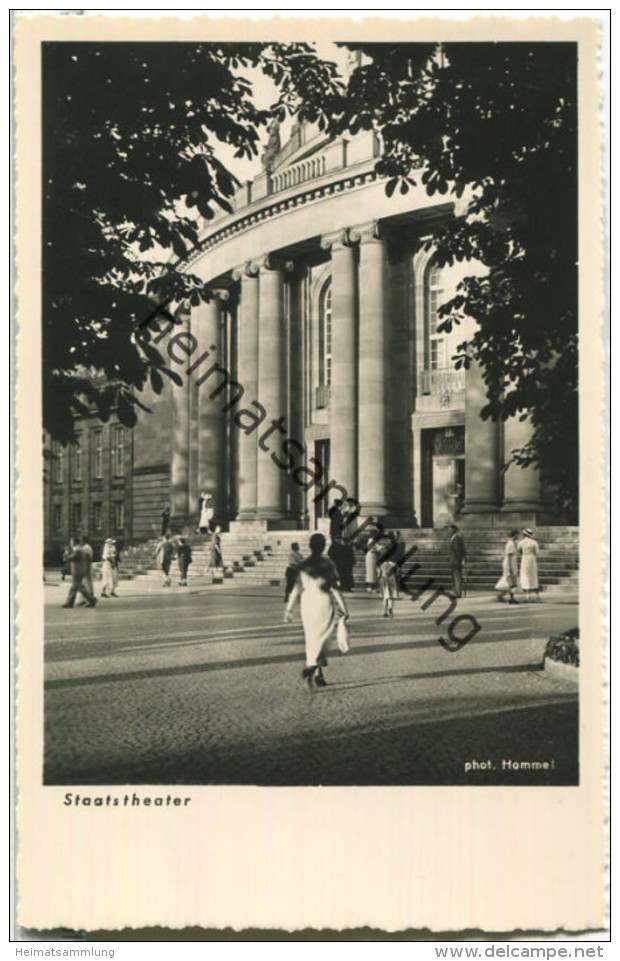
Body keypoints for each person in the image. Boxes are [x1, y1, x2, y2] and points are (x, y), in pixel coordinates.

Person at [285, 532, 349, 690]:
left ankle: (317, 673)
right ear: (323, 547)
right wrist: (344, 608)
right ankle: (313, 668)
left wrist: (289, 609)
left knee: (311, 638)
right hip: (323, 600)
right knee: (324, 638)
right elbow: (334, 588)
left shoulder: (303, 564)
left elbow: (296, 589)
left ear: (310, 546)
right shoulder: (328, 563)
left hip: (307, 602)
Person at [62, 536, 97, 608]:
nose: (70, 543)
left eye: (71, 541)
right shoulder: (79, 549)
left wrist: (66, 554)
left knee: (79, 587)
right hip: (79, 570)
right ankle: (70, 602)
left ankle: (92, 599)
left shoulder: (78, 550)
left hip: (78, 570)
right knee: (75, 587)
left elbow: (71, 558)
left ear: (74, 542)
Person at [494, 529, 520, 604]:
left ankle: (502, 595)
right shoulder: (510, 544)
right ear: (515, 535)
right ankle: (511, 597)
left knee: (510, 580)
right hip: (510, 563)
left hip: (512, 562)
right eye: (517, 535)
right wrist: (510, 567)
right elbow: (509, 556)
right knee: (510, 580)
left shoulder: (513, 543)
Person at [519, 528, 541, 601]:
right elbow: (537, 552)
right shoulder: (534, 542)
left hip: (524, 558)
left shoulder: (521, 542)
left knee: (525, 575)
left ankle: (527, 594)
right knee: (533, 575)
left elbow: (519, 551)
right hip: (531, 558)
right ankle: (537, 594)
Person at [448, 524, 466, 598]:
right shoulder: (454, 538)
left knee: (457, 576)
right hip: (454, 560)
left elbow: (458, 551)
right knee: (455, 576)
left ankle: (457, 592)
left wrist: (461, 559)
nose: (448, 531)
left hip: (456, 561)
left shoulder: (456, 539)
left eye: (449, 529)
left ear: (453, 530)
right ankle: (456, 591)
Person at [364, 528, 381, 592]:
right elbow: (371, 549)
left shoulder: (374, 540)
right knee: (371, 572)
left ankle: (373, 586)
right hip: (371, 556)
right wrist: (379, 549)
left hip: (374, 556)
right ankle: (370, 586)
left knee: (373, 572)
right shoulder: (371, 540)